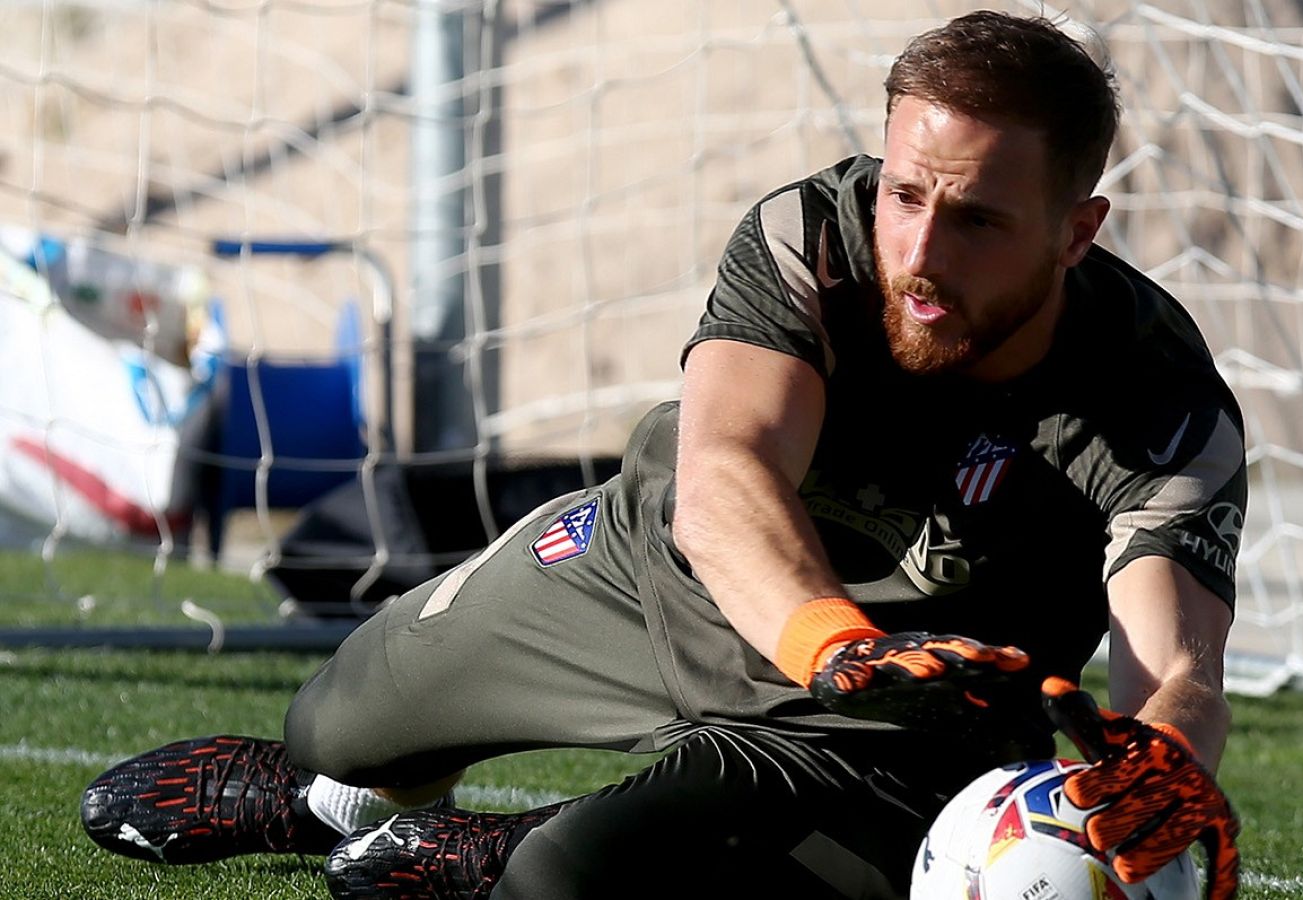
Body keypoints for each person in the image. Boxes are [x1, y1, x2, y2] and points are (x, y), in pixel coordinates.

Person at [80, 11, 1244, 900]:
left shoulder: (1160, 399)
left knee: (561, 884)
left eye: (977, 218)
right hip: (652, 579)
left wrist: (1161, 759)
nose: (920, 252)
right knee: (328, 727)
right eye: (903, 195)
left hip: (880, 720)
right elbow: (724, 478)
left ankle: (513, 846)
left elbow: (1175, 660)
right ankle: (338, 800)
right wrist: (833, 642)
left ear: (1076, 232)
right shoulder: (809, 237)